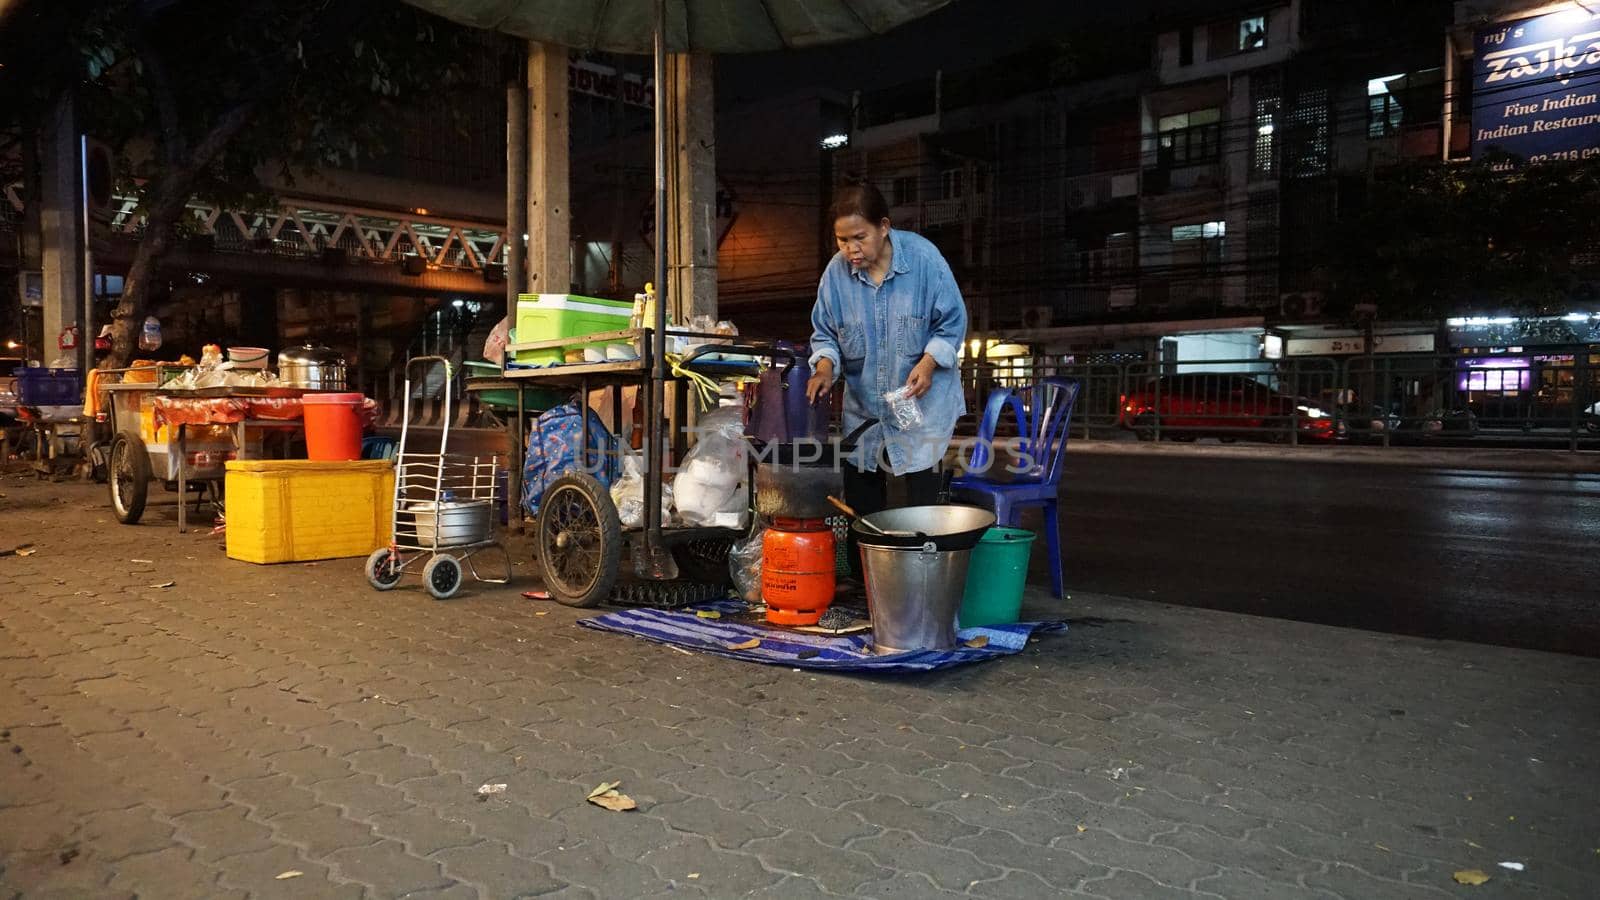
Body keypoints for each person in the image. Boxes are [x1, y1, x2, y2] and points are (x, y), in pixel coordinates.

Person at [805, 181, 967, 575]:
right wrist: (825, 366)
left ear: (884, 227)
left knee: (922, 505)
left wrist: (929, 362)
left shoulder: (925, 261)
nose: (850, 249)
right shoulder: (836, 275)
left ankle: (924, 582)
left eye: (859, 237)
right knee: (862, 501)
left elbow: (952, 323)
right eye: (842, 240)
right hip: (866, 407)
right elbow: (825, 334)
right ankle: (869, 586)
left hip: (922, 404)